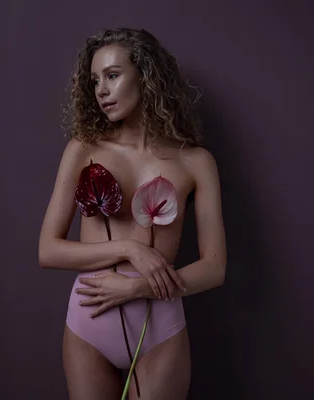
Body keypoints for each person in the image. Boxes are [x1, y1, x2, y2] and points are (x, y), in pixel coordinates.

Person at [38, 27, 226, 400]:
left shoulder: (196, 162)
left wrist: (138, 286)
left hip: (158, 324)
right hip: (89, 321)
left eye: (112, 75)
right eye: (94, 81)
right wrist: (130, 249)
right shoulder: (83, 149)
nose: (101, 90)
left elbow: (215, 268)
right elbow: (49, 250)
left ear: (145, 75)